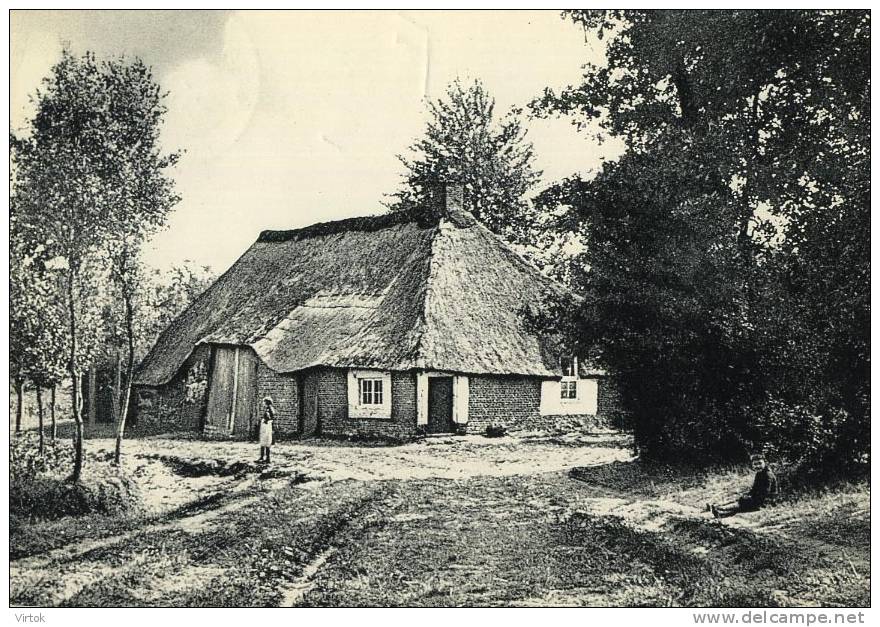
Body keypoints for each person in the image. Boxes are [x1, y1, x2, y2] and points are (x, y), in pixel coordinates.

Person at [709, 453, 778, 519]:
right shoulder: (759, 474)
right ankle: (720, 511)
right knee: (742, 500)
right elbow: (754, 489)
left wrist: (751, 498)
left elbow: (765, 492)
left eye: (760, 463)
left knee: (742, 504)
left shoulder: (768, 475)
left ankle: (721, 509)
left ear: (765, 463)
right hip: (760, 498)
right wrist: (748, 494)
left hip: (766, 501)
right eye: (755, 464)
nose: (757, 466)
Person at [257, 397, 275, 464]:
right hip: (268, 426)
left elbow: (269, 418)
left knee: (264, 441)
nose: (263, 403)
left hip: (266, 426)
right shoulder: (270, 409)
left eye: (264, 402)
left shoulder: (268, 409)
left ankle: (264, 458)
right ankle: (266, 458)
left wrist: (265, 420)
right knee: (266, 442)